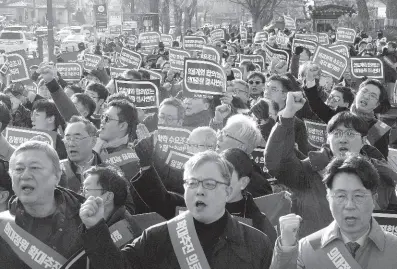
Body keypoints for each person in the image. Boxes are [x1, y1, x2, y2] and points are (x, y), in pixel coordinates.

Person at [80, 151, 274, 269]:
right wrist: (96, 227)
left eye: (209, 184)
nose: (199, 191)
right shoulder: (158, 236)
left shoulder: (256, 243)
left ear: (228, 191)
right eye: (192, 183)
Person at [265, 92, 397, 238]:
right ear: (328, 139)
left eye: (350, 134)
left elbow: (390, 224)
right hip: (315, 256)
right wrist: (288, 115)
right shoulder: (307, 171)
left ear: (364, 140)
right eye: (337, 133)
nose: (343, 139)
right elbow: (276, 163)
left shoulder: (383, 177)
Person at [271, 155, 397, 269]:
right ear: (328, 199)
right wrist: (286, 250)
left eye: (358, 196)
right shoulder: (307, 248)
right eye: (340, 196)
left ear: (374, 199)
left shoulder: (394, 248)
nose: (349, 205)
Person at [0, 141, 86, 269]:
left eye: (34, 168)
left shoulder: (87, 223)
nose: (25, 175)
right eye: (18, 169)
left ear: (57, 176)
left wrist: (98, 229)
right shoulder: (3, 225)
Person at [216, 114, 273, 197]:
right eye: (221, 132)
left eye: (225, 134)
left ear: (240, 146)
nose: (219, 137)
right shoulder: (215, 166)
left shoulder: (254, 184)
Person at [81, 165, 142, 239]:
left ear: (108, 197)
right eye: (82, 190)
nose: (82, 195)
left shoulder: (125, 233)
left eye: (87, 190)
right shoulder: (97, 222)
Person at [93, 99, 140, 180]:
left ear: (122, 126)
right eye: (103, 117)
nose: (102, 121)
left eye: (107, 118)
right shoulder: (96, 145)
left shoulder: (131, 163)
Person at [263, 75, 309, 155]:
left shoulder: (296, 124)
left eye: (273, 89)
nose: (267, 92)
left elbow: (302, 158)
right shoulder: (256, 117)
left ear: (284, 95)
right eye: (266, 88)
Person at [59, 116, 101, 193]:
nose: (71, 144)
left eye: (77, 138)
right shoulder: (56, 170)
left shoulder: (109, 170)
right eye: (67, 139)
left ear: (93, 141)